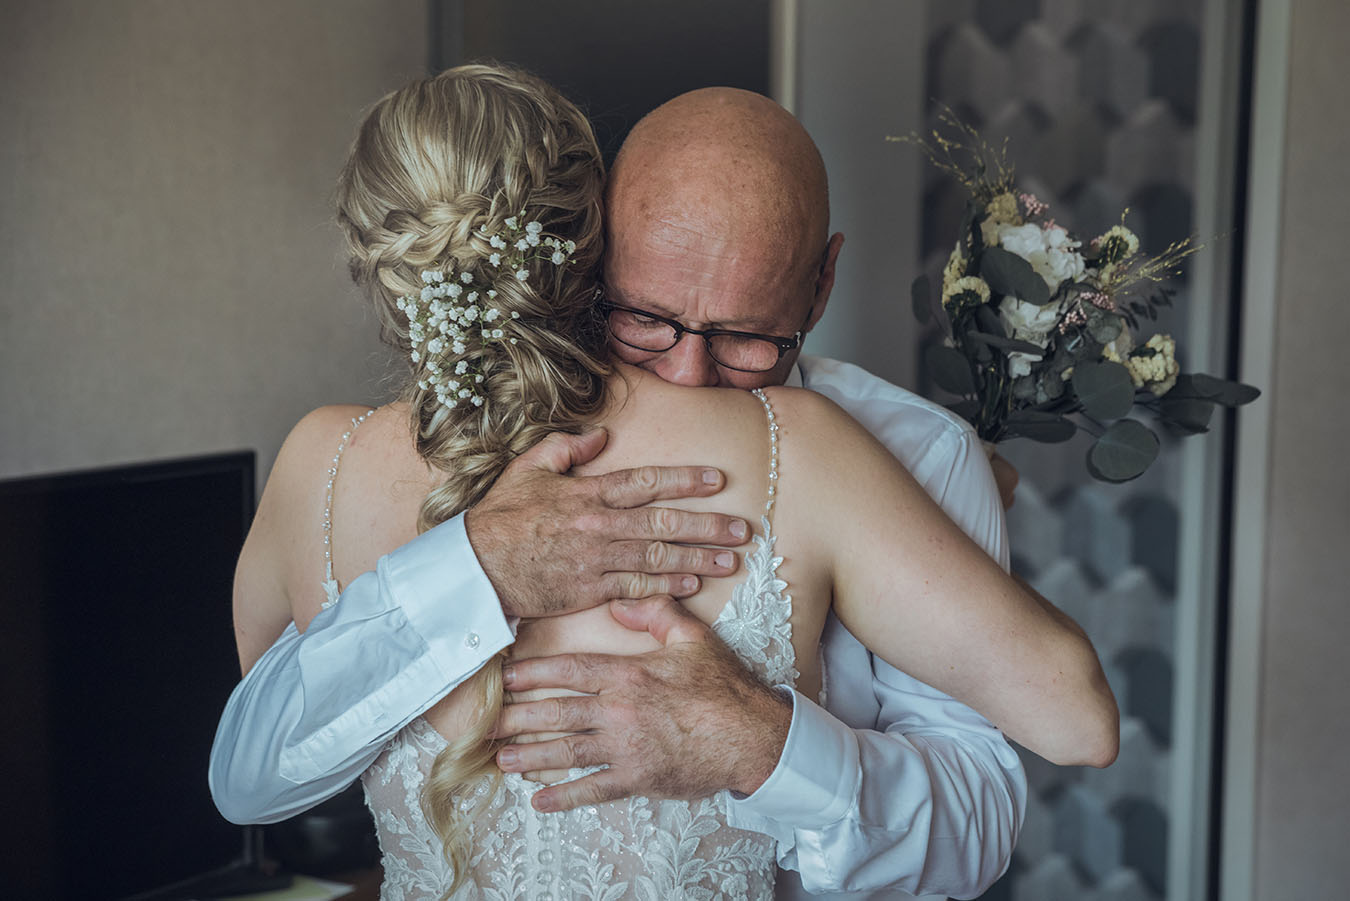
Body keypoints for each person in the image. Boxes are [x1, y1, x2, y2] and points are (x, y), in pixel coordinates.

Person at [212, 67, 1117, 899]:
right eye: (644, 318)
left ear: (821, 284)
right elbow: (249, 775)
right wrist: (473, 569)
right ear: (591, 256)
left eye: (745, 336)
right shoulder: (800, 448)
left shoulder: (909, 450)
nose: (687, 375)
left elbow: (1024, 771)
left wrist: (764, 743)